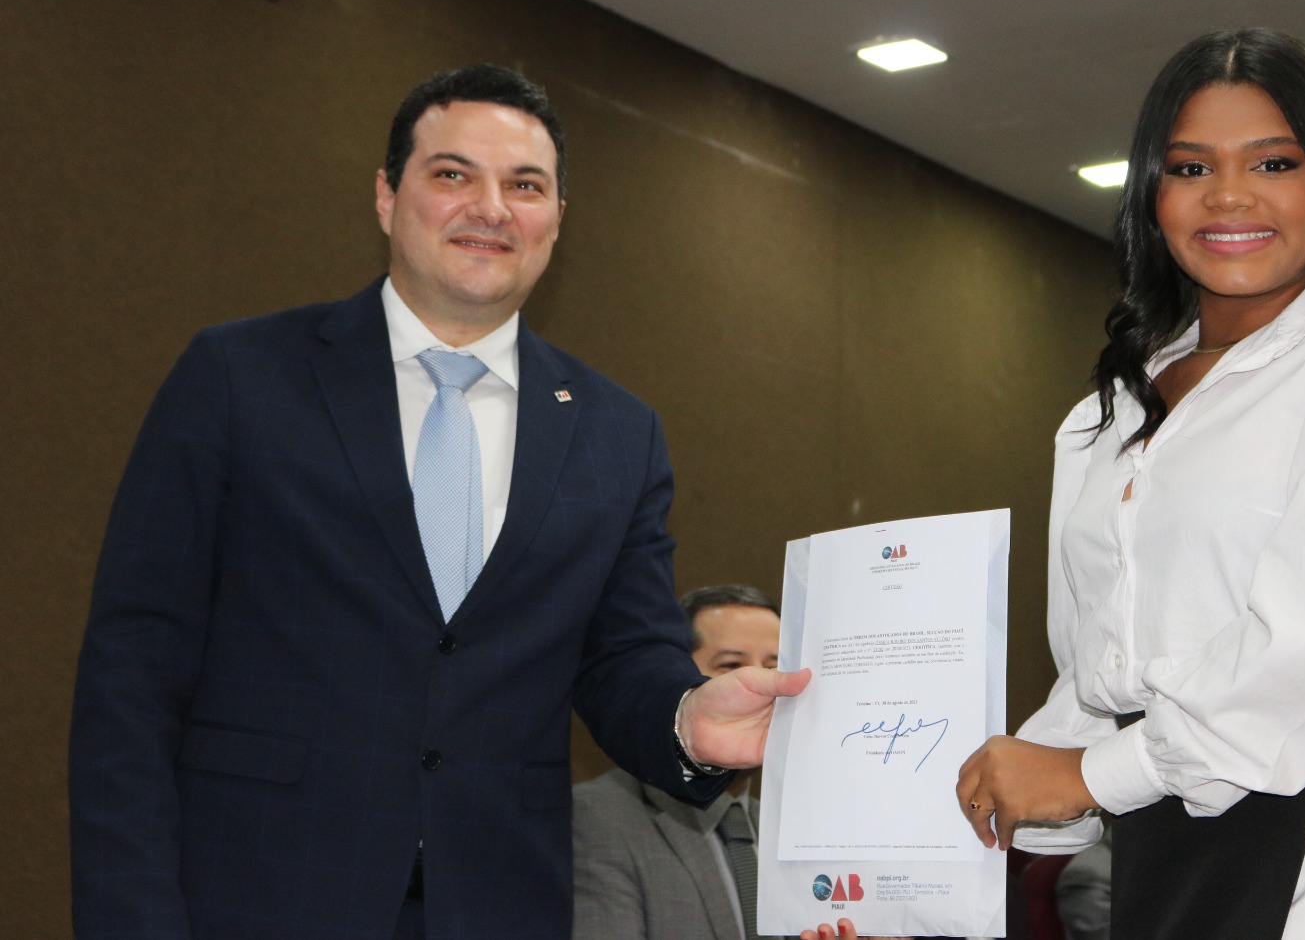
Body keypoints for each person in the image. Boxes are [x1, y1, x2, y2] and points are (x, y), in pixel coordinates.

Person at [69, 64, 808, 939]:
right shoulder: (239, 376)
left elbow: (625, 656)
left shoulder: (617, 430)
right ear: (388, 196)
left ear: (556, 218)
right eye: (453, 173)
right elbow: (132, 673)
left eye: (525, 185)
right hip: (252, 893)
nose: (491, 208)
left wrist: (689, 720)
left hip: (498, 902)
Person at [955, 29, 1305, 939]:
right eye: (1191, 168)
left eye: (1275, 162)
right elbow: (1097, 675)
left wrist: (1090, 776)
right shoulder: (1104, 416)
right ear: (1152, 196)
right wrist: (989, 791)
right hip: (1157, 849)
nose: (1230, 195)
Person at [572, 585, 782, 940]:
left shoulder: (792, 829)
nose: (760, 686)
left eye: (774, 668)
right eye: (731, 665)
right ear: (673, 679)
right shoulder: (599, 816)